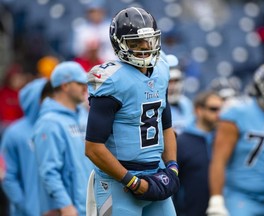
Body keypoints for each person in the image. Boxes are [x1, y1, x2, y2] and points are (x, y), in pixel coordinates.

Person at [85, 7, 179, 216]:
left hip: (155, 174)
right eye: (136, 43)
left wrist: (172, 166)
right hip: (119, 182)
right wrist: (132, 181)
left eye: (149, 41)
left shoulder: (161, 70)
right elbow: (93, 148)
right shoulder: (112, 79)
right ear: (120, 44)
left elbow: (166, 126)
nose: (145, 48)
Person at [206, 62, 264, 216]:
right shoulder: (237, 113)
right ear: (259, 88)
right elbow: (219, 160)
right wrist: (216, 199)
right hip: (241, 197)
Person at [32, 61, 93, 216]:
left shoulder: (83, 115)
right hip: (69, 209)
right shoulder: (49, 122)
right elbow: (49, 171)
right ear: (65, 86)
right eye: (80, 83)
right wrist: (65, 205)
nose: (85, 88)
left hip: (89, 205)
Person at [0, 78, 53, 216]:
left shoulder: (57, 127)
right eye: (45, 96)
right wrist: (26, 206)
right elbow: (7, 175)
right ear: (33, 99)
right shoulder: (15, 132)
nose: (50, 100)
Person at [173, 91, 223, 216]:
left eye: (221, 109)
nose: (219, 114)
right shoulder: (181, 142)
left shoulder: (223, 140)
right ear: (199, 111)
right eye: (213, 109)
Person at [166, 54, 193, 135]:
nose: (172, 87)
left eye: (176, 81)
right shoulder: (156, 106)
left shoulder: (186, 103)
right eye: (169, 81)